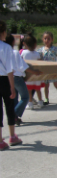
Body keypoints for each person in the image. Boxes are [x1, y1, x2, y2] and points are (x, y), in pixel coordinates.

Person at [5, 34, 41, 125]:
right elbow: (23, 67)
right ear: (13, 42)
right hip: (17, 78)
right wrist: (34, 72)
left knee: (15, 99)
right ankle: (14, 115)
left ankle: (15, 117)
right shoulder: (15, 52)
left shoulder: (4, 52)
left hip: (8, 77)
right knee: (25, 97)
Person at [0, 21, 22, 150]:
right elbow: (9, 69)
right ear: (3, 33)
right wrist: (12, 87)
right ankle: (12, 136)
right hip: (4, 80)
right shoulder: (6, 48)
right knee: (9, 107)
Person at [38, 31, 57, 105]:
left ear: (52, 40)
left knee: (56, 84)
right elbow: (38, 59)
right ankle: (46, 99)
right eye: (45, 38)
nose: (47, 40)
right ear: (43, 39)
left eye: (48, 38)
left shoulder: (54, 49)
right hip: (45, 71)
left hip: (53, 70)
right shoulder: (41, 50)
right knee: (46, 85)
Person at [21, 34, 45, 109]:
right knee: (38, 89)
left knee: (29, 90)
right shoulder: (37, 53)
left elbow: (21, 62)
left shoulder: (24, 53)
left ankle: (30, 103)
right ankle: (40, 102)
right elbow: (40, 62)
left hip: (28, 74)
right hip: (36, 74)